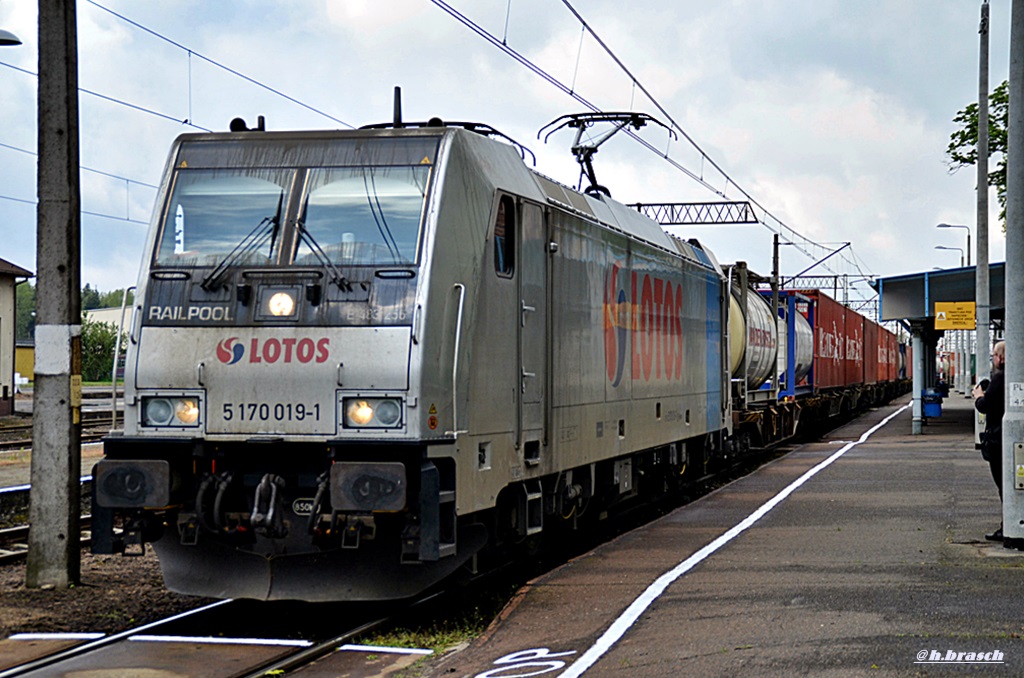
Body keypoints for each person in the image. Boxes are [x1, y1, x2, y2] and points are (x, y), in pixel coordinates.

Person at [973, 340, 1005, 541]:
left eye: (994, 354)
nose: (993, 358)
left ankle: (1009, 525)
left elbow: (987, 405)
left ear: (1001, 357)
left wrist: (978, 396)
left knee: (1004, 483)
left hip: (999, 439)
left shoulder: (1001, 378)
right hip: (1005, 436)